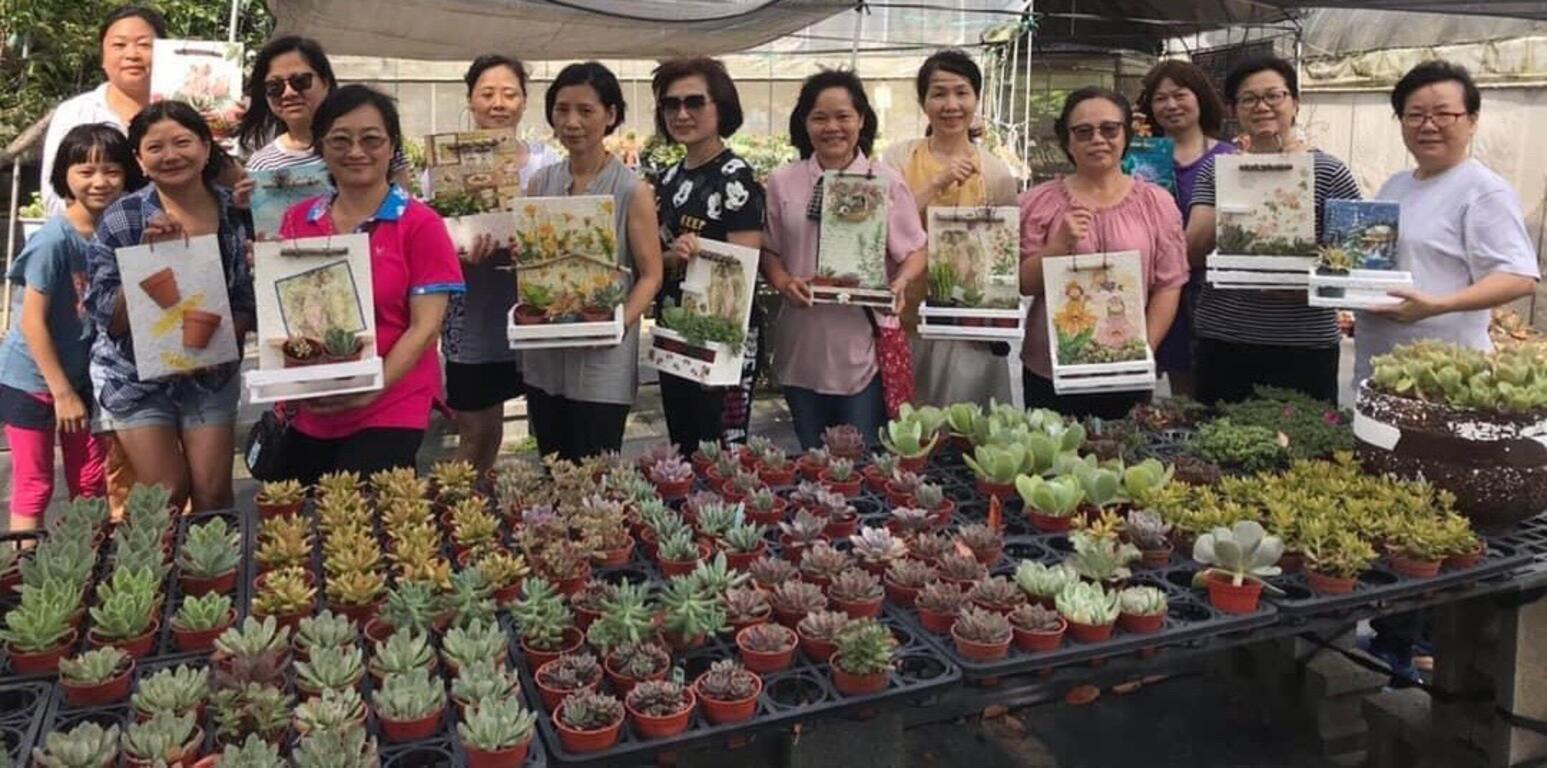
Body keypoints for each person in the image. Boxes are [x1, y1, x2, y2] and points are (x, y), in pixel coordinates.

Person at [276, 85, 465, 484]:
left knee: (368, 510)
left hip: (391, 400)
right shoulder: (296, 221)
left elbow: (426, 327)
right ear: (320, 147)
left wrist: (372, 388)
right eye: (340, 140)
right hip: (313, 400)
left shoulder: (420, 224)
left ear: (392, 146)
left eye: (371, 139)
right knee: (302, 515)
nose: (356, 152)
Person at [84, 101, 255, 512]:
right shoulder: (123, 218)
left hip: (211, 373)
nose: (171, 155)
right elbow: (108, 317)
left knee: (213, 495)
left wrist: (219, 342)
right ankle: (160, 558)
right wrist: (150, 264)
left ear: (206, 148)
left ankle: (214, 559)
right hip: (135, 376)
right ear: (140, 161)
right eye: (155, 147)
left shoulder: (235, 211)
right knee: (167, 491)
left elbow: (247, 297)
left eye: (182, 142)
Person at [761, 70, 927, 450]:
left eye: (843, 116)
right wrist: (784, 283)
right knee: (813, 459)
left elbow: (916, 249)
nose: (832, 127)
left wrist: (901, 281)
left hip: (861, 350)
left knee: (859, 463)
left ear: (861, 120)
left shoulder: (885, 181)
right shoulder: (782, 182)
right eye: (819, 117)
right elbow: (770, 250)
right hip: (801, 347)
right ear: (805, 123)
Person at [1184, 55, 1363, 405]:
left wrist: (1307, 289)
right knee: (1219, 432)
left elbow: (1355, 261)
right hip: (1225, 335)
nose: (1262, 106)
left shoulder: (1328, 171)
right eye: (1249, 99)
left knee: (1304, 436)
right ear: (1233, 110)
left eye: (1273, 96)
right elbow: (1192, 252)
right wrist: (1236, 186)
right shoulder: (1217, 170)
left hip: (1304, 341)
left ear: (1295, 102)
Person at [1356, 60, 1538, 380]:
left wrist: (1438, 304)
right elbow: (1376, 257)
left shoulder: (1483, 191)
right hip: (1380, 365)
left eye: (1443, 114)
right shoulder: (1395, 185)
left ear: (1472, 121)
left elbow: (1518, 276)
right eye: (1415, 115)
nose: (1428, 126)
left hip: (1443, 373)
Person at [1017, 87, 1187, 419]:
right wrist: (1058, 246)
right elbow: (1024, 284)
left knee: (1125, 449)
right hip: (1050, 368)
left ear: (1125, 136)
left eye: (1109, 129)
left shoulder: (1157, 203)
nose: (1098, 139)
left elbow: (1168, 284)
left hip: (1127, 367)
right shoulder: (1037, 203)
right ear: (1067, 141)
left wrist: (1142, 350)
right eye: (1083, 131)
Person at [522, 62, 663, 462]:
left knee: (597, 467)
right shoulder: (542, 182)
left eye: (586, 110)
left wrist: (617, 324)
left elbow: (651, 275)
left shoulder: (631, 190)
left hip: (604, 355)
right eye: (562, 109)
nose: (572, 122)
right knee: (553, 462)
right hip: (547, 349)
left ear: (611, 115)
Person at [0, 126, 138, 529]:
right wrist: (61, 393)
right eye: (86, 171)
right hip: (32, 381)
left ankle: (86, 559)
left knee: (90, 480)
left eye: (111, 170)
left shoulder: (116, 233)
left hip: (82, 377)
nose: (100, 182)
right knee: (35, 483)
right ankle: (22, 565)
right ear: (64, 175)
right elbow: (31, 321)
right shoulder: (53, 241)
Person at [440, 54, 559, 472]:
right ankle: (464, 506)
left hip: (536, 315)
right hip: (473, 318)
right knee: (477, 434)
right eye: (487, 94)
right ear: (470, 100)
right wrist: (455, 254)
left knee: (552, 433)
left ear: (524, 101)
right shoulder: (444, 166)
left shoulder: (548, 165)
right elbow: (436, 242)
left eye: (509, 94)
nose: (498, 104)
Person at [881, 49, 1016, 408]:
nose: (951, 104)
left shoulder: (996, 172)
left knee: (967, 422)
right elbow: (881, 226)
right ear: (923, 102)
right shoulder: (898, 158)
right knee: (908, 420)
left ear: (976, 98)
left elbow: (1005, 251)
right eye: (939, 93)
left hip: (969, 327)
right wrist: (936, 183)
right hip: (906, 315)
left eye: (962, 92)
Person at [649, 57, 766, 454]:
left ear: (722, 107)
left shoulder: (736, 177)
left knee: (721, 452)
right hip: (674, 329)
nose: (681, 114)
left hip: (722, 336)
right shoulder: (667, 178)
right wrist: (673, 256)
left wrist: (701, 254)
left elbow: (744, 266)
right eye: (671, 104)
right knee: (682, 447)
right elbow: (658, 258)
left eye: (695, 102)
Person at [1136, 60, 1235, 396]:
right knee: (1158, 386)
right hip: (1151, 287)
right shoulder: (1136, 159)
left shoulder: (1230, 158)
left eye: (1180, 95)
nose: (1171, 105)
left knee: (1205, 387)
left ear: (1200, 98)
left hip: (1208, 292)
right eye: (1160, 98)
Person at [39, 5, 162, 217]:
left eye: (144, 45)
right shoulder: (74, 113)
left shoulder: (186, 114)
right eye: (119, 45)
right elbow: (53, 195)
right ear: (103, 57)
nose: (132, 54)